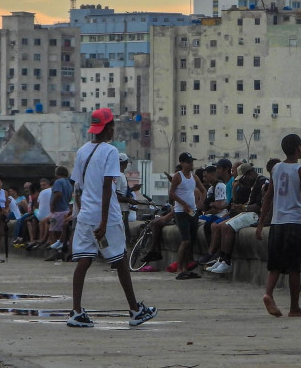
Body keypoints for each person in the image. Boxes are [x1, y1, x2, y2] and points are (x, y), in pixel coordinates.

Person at [66, 107, 157, 328]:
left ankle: (76, 311)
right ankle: (135, 311)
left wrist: (81, 211)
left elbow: (77, 185)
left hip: (86, 215)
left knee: (84, 260)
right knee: (120, 260)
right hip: (107, 216)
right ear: (108, 128)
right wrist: (105, 220)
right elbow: (107, 186)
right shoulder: (110, 152)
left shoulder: (82, 151)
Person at [255, 134, 301, 317]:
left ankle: (268, 293)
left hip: (277, 224)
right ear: (299, 149)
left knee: (274, 265)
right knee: (294, 267)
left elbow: (268, 197)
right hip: (295, 223)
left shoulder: (276, 168)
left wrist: (261, 224)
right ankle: (294, 307)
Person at [171, 152, 205, 279]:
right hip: (181, 212)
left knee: (190, 241)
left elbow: (203, 190)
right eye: (189, 162)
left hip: (193, 212)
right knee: (185, 240)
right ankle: (179, 269)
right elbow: (172, 193)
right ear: (182, 163)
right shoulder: (178, 176)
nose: (191, 164)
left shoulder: (194, 177)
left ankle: (185, 268)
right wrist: (183, 204)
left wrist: (201, 202)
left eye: (191, 162)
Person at [28, 178, 54, 250]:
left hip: (45, 215)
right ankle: (40, 239)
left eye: (44, 185)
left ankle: (39, 239)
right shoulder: (50, 191)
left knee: (37, 219)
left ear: (49, 185)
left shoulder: (43, 193)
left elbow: (37, 205)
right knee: (38, 221)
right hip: (47, 215)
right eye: (41, 185)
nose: (42, 187)